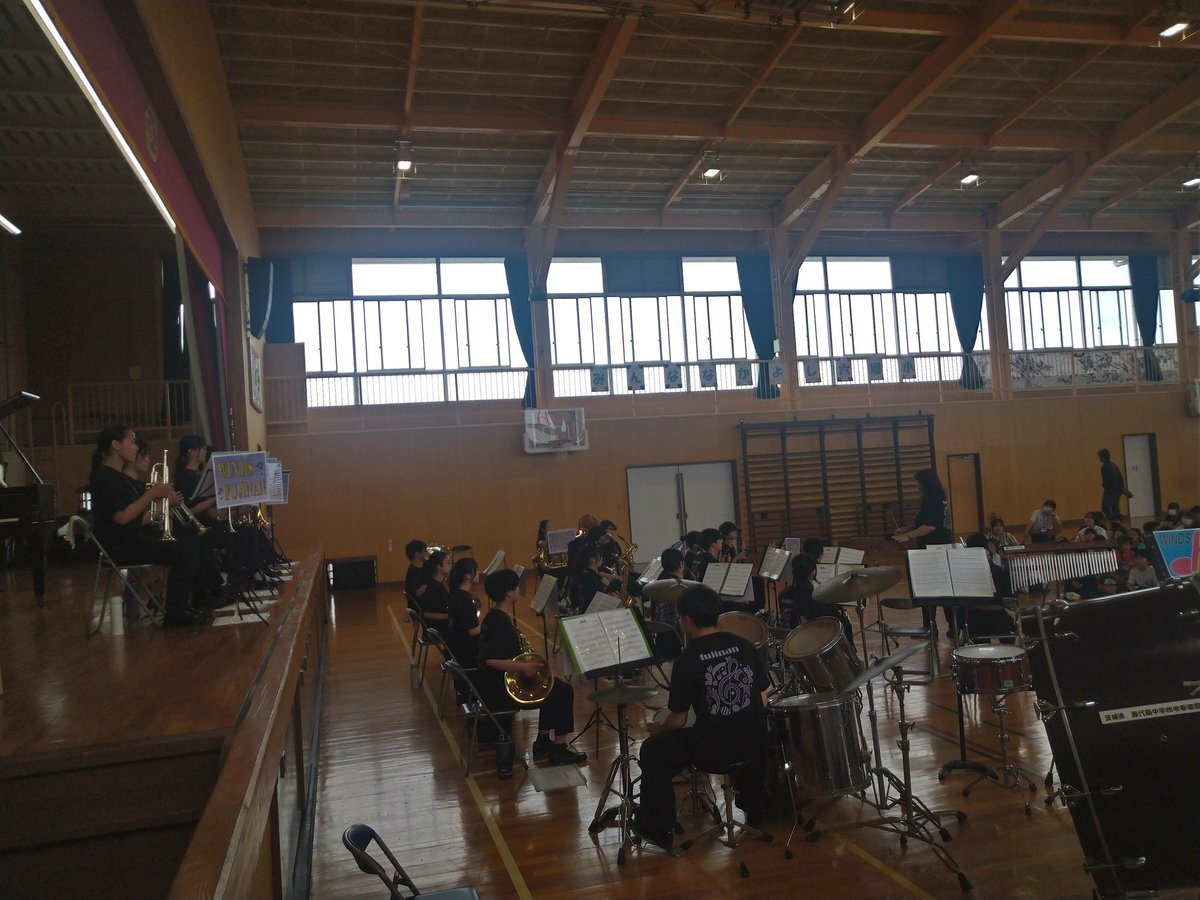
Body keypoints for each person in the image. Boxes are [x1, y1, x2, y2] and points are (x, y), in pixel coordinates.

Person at [634, 584, 770, 852]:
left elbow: (678, 720)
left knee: (652, 750)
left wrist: (659, 729)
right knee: (746, 728)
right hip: (755, 745)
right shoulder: (744, 646)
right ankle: (756, 810)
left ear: (686, 620)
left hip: (714, 751)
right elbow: (763, 699)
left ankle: (657, 828)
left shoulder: (687, 659)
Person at [88, 425, 208, 627]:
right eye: (131, 442)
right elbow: (122, 518)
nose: (136, 447)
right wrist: (152, 494)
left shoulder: (118, 477)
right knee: (186, 550)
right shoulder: (105, 477)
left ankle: (181, 608)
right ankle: (175, 613)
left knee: (190, 544)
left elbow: (134, 515)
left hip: (133, 540)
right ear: (116, 445)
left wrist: (157, 500)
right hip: (121, 546)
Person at [477, 569, 586, 767]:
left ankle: (543, 741)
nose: (519, 589)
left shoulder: (494, 616)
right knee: (563, 691)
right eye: (516, 587)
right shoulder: (500, 622)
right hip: (498, 690)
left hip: (493, 683)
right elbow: (491, 660)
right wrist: (524, 667)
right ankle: (559, 749)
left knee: (553, 686)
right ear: (509, 592)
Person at [892, 468, 954, 635]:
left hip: (933, 552)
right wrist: (906, 529)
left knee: (929, 589)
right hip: (940, 549)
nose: (917, 487)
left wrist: (907, 536)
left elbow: (931, 526)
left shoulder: (932, 499)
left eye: (918, 484)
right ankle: (949, 625)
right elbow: (926, 522)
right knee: (941, 589)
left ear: (925, 483)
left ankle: (931, 627)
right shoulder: (938, 498)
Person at [641, 548, 700, 659]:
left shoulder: (658, 583)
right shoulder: (679, 587)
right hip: (676, 640)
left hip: (660, 638)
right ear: (681, 564)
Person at [777, 552, 853, 636]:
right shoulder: (818, 598)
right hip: (811, 641)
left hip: (789, 640)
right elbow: (835, 621)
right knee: (845, 623)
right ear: (813, 572)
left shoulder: (782, 595)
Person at [419, 550, 452, 626]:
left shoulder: (439, 584)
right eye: (448, 562)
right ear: (438, 566)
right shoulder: (434, 588)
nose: (450, 565)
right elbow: (426, 614)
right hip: (438, 628)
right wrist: (451, 616)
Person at [1098, 449, 1125, 521]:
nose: (1099, 458)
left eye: (1100, 457)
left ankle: (1114, 521)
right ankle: (1117, 522)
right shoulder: (1113, 465)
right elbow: (1120, 478)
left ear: (1103, 457)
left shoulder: (1106, 466)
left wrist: (1105, 485)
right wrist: (1121, 489)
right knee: (1115, 508)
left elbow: (1111, 479)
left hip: (1111, 490)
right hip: (1116, 490)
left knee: (1105, 507)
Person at [404, 540, 429, 604]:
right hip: (421, 604)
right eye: (424, 551)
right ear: (417, 554)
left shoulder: (426, 564)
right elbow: (418, 593)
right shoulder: (412, 573)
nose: (427, 552)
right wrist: (432, 581)